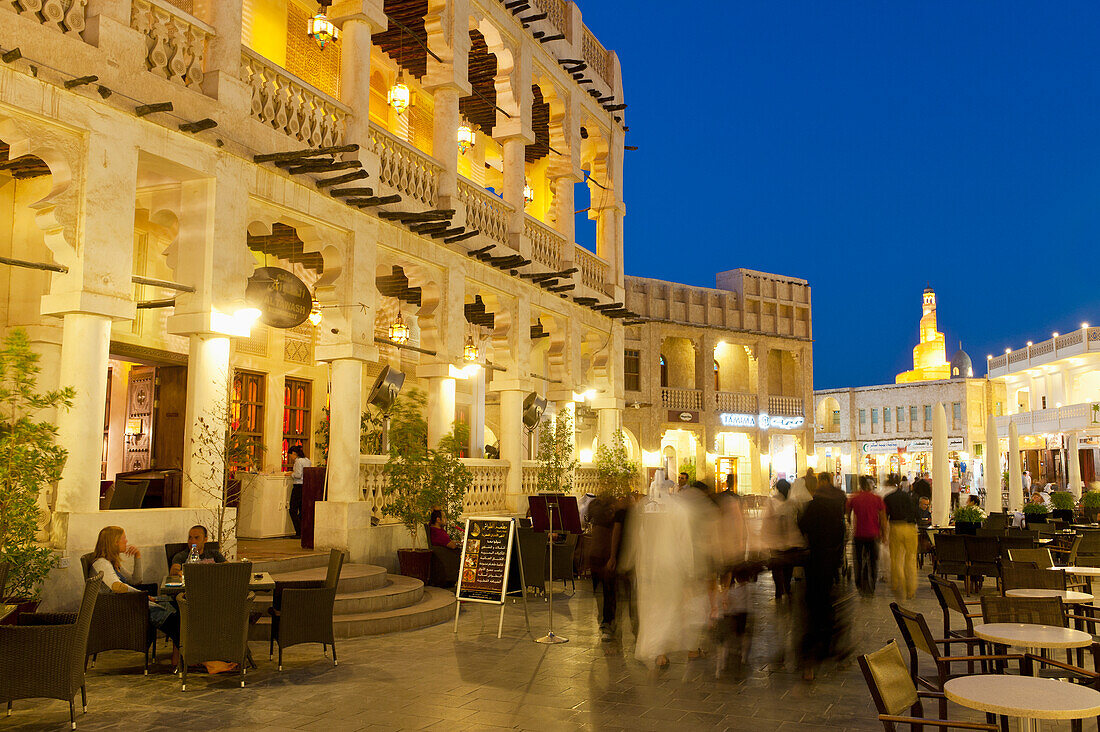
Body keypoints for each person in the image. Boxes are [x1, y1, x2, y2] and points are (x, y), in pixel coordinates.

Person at [797, 472, 847, 681]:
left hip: (815, 560)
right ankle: (829, 648)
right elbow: (842, 534)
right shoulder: (836, 509)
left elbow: (802, 526)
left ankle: (810, 657)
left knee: (813, 606)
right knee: (827, 604)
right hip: (830, 561)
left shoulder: (813, 506)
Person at [585, 493, 627, 642]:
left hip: (602, 554)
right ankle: (607, 622)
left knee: (607, 592)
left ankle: (607, 623)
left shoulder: (608, 512)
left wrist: (612, 556)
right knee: (605, 592)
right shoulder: (604, 510)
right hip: (599, 554)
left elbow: (615, 533)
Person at [847, 476, 887, 597]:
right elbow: (883, 518)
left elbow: (847, 513)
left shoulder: (855, 498)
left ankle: (859, 583)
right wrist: (884, 534)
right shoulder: (877, 499)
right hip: (873, 534)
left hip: (859, 534)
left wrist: (851, 523)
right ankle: (872, 584)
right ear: (870, 486)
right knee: (873, 561)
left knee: (858, 560)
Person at [884, 475, 918, 601]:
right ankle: (911, 589)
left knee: (897, 558)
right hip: (910, 528)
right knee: (911, 558)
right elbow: (916, 512)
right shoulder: (907, 496)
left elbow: (884, 517)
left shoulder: (888, 498)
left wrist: (883, 533)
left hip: (896, 526)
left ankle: (899, 586)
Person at [288, 445, 311, 537]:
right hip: (306, 486)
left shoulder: (298, 461)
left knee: (292, 510)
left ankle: (298, 531)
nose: (291, 458)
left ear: (294, 454)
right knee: (302, 510)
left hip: (298, 486)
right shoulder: (307, 460)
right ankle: (303, 531)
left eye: (291, 456)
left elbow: (298, 475)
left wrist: (291, 474)